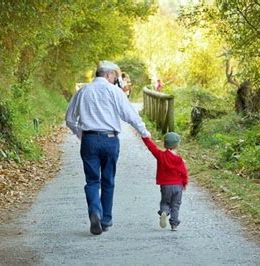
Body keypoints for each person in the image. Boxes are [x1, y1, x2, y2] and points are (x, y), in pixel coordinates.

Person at [66, 60, 151, 235]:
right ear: (109, 74)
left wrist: (81, 134)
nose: (115, 79)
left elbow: (70, 119)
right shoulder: (115, 91)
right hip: (110, 139)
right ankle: (105, 219)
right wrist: (144, 132)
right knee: (108, 180)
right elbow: (130, 115)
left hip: (89, 139)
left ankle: (95, 212)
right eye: (115, 76)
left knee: (92, 181)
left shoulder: (83, 91)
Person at [141, 132, 189, 231]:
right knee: (175, 205)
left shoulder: (160, 155)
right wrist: (184, 184)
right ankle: (174, 224)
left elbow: (151, 147)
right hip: (177, 186)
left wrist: (144, 137)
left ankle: (164, 212)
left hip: (165, 186)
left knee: (165, 202)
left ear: (164, 144)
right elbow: (184, 173)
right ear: (177, 145)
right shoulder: (179, 160)